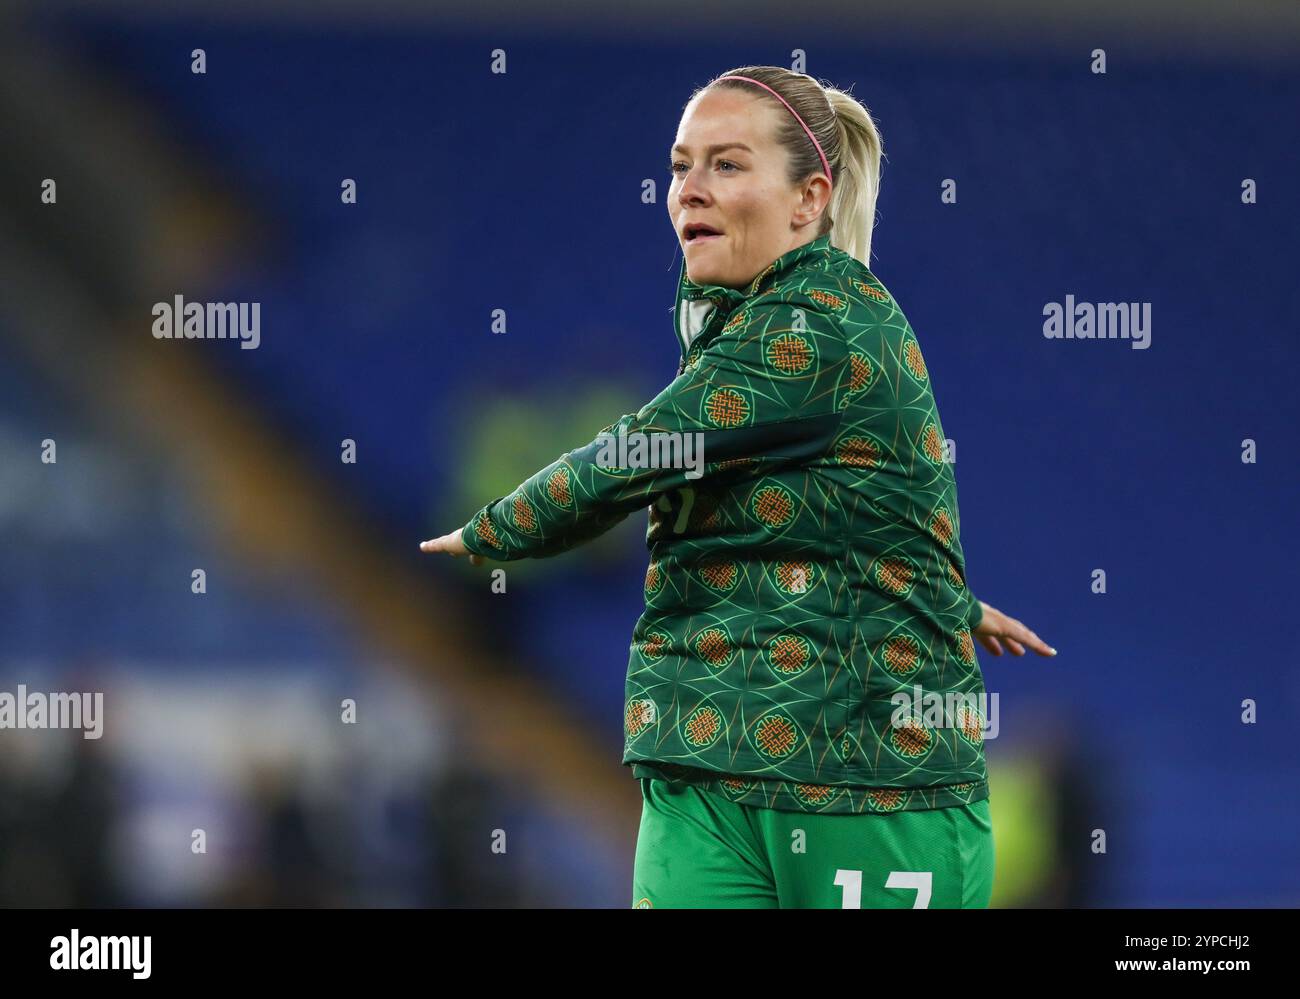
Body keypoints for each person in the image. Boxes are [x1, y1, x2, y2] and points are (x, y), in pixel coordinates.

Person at [421, 65, 1055, 908]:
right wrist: (944, 597)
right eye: (681, 166)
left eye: (726, 164)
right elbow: (829, 507)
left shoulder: (814, 324)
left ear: (808, 200)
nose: (690, 188)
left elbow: (634, 459)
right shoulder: (740, 327)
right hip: (708, 759)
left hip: (864, 773)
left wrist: (491, 531)